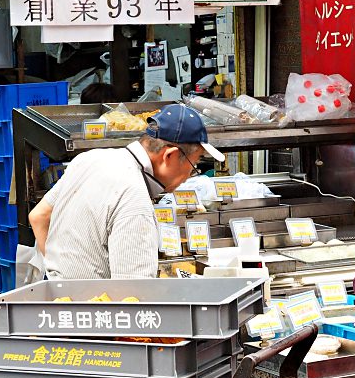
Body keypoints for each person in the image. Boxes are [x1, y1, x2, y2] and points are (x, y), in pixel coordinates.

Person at [28, 103, 224, 279]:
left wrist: (63, 278)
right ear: (170, 156)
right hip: (100, 312)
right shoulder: (134, 196)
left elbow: (39, 216)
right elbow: (133, 293)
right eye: (195, 163)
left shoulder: (88, 159)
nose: (192, 172)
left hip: (61, 304)